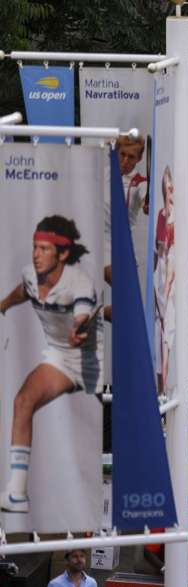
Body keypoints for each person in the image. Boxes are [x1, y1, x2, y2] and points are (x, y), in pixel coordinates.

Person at [0, 217, 103, 512]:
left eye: (43, 248)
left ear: (62, 254)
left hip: (93, 359)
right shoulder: (30, 275)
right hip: (60, 357)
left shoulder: (79, 283)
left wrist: (80, 325)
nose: (36, 254)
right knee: (23, 401)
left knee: (111, 423)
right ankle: (17, 492)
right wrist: (3, 305)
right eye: (35, 247)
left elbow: (83, 310)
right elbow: (23, 291)